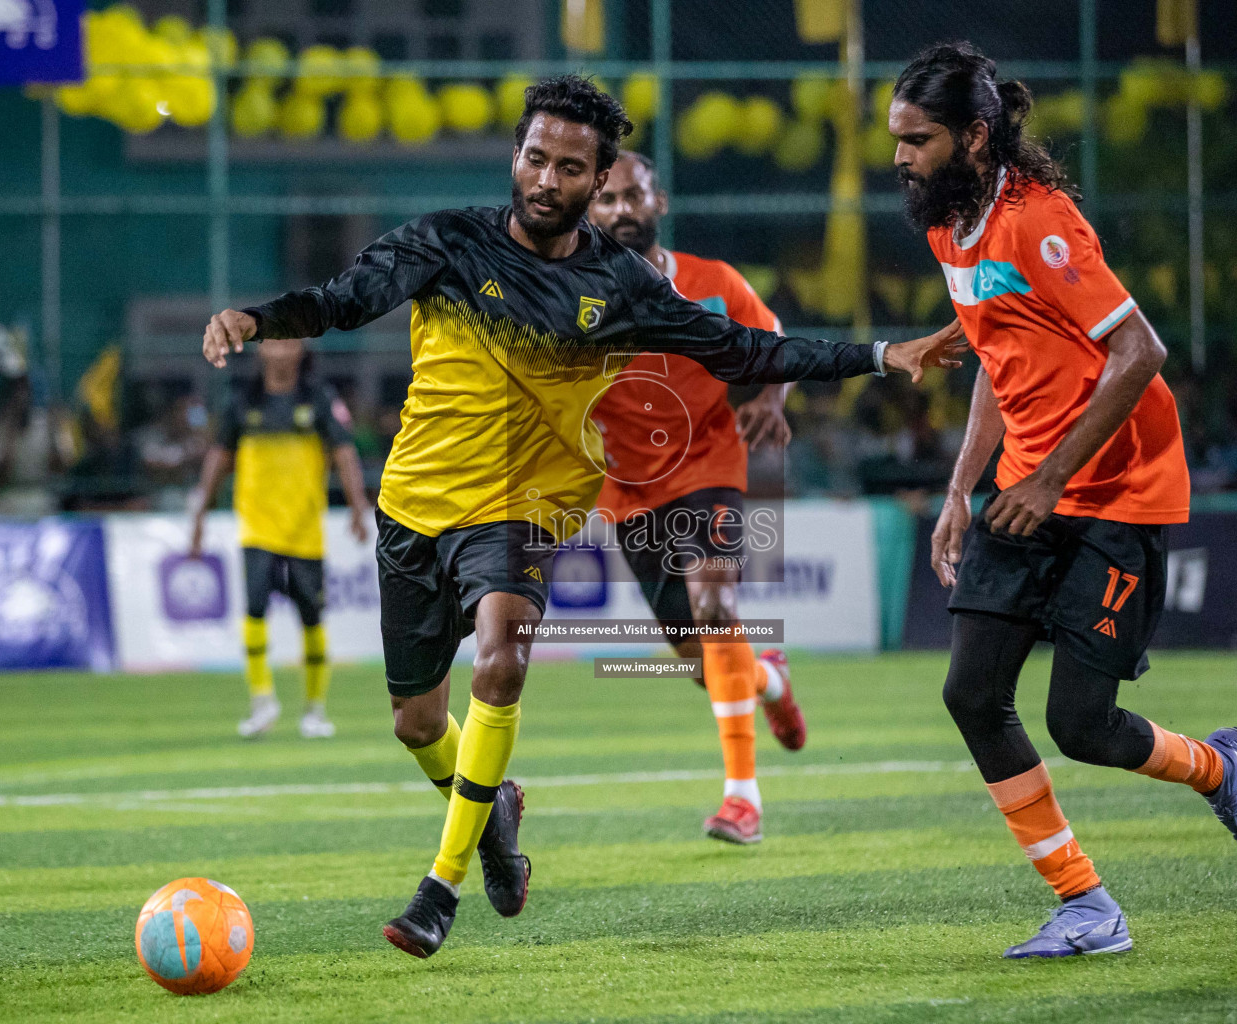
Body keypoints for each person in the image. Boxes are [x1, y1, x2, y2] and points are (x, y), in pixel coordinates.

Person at [201, 75, 964, 960]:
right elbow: (339, 302)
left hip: (530, 506)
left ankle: (438, 887)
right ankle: (495, 812)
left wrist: (881, 353)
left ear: (596, 178)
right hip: (414, 506)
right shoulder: (445, 242)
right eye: (536, 158)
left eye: (571, 167)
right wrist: (253, 320)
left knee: (502, 658)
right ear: (515, 157)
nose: (547, 179)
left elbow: (748, 347)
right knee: (415, 723)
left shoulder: (620, 282)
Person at [889, 43, 1237, 959]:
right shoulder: (948, 226)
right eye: (897, 141)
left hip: (1113, 490)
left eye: (918, 139)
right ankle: (1084, 905)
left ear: (975, 136)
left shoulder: (1042, 222)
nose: (901, 158)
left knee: (1081, 725)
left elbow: (1138, 351)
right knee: (970, 694)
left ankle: (1220, 768)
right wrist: (961, 491)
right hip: (1024, 487)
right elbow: (997, 354)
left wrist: (1048, 478)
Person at [588, 150, 808, 846]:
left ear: (658, 203)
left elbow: (774, 340)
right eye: (606, 200)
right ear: (588, 211)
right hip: (625, 490)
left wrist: (771, 399)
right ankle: (767, 681)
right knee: (699, 660)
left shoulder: (712, 284)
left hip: (711, 463)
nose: (621, 210)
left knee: (716, 608)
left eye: (632, 196)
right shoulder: (573, 298)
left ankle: (741, 800)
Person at [189, 337, 373, 740]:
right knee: (254, 610)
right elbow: (219, 456)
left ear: (302, 351)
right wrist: (200, 510)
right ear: (261, 351)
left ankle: (315, 709)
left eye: (289, 343)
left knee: (312, 616)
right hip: (256, 526)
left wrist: (359, 506)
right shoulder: (242, 401)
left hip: (305, 528)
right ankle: (261, 700)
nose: (281, 351)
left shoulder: (319, 399)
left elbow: (343, 452)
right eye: (273, 343)